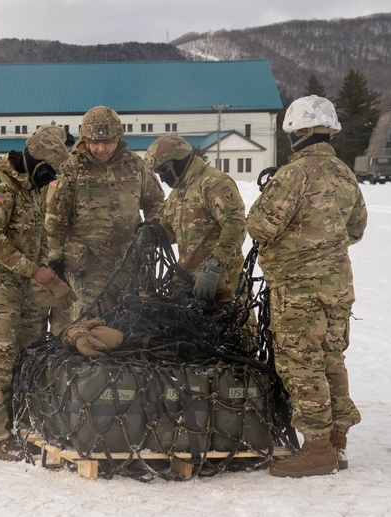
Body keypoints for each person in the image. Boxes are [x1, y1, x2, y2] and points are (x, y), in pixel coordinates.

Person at [246, 95, 367, 477]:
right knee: (332, 356)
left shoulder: (293, 175)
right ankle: (337, 443)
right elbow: (357, 229)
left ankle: (316, 447)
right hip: (337, 287)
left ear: (295, 134)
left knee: (301, 362)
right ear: (330, 131)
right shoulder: (346, 174)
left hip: (300, 289)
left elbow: (260, 226)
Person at [0, 124, 71, 461]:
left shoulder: (34, 188)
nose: (52, 179)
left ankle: (22, 424)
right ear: (38, 162)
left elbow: (40, 236)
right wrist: (33, 270)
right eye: (51, 171)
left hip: (29, 284)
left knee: (28, 354)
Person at [45, 106, 165, 331]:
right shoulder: (71, 169)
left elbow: (156, 202)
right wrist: (55, 258)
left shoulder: (134, 165)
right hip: (89, 263)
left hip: (130, 259)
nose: (101, 149)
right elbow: (55, 219)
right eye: (94, 142)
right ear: (84, 138)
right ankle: (86, 367)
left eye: (107, 142)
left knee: (131, 320)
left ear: (118, 138)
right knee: (88, 322)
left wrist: (151, 227)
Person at [142, 134, 247, 307]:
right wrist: (153, 234)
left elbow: (235, 224)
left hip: (223, 283)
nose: (162, 178)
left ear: (178, 160)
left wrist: (215, 266)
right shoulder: (178, 192)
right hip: (190, 283)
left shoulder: (213, 183)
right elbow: (172, 228)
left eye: (163, 170)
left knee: (235, 331)